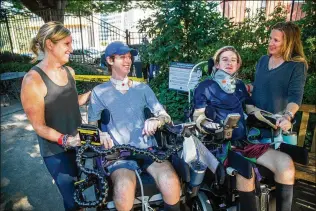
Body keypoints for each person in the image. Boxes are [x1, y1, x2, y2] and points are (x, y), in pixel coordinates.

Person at [193, 45, 299, 211]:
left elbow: (251, 111)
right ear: (217, 64)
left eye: (233, 60)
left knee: (285, 163)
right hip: (217, 147)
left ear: (238, 65)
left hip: (243, 143)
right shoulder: (205, 87)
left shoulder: (240, 86)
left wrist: (276, 118)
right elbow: (198, 117)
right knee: (245, 171)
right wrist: (210, 126)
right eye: (225, 59)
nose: (229, 63)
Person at [88, 41, 181, 211]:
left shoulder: (143, 88)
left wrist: (157, 120)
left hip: (148, 150)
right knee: (123, 188)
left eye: (129, 57)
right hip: (118, 154)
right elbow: (91, 127)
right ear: (109, 60)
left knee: (171, 181)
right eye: (122, 57)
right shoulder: (99, 92)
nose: (128, 61)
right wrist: (99, 134)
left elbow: (165, 116)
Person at [21, 21, 91, 211]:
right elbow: (39, 126)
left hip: (78, 144)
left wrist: (96, 94)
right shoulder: (32, 79)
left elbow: (69, 101)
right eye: (67, 44)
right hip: (56, 151)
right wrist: (66, 140)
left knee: (80, 193)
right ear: (50, 44)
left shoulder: (69, 72)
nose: (72, 49)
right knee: (73, 201)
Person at [245, 21, 308, 211]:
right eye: (270, 38)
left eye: (276, 40)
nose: (270, 43)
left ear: (288, 42)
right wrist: (251, 88)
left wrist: (288, 115)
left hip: (275, 131)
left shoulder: (297, 65)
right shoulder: (263, 61)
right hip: (253, 128)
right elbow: (264, 87)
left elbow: (295, 96)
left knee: (285, 168)